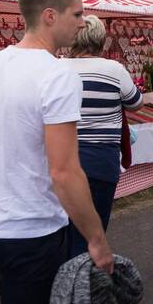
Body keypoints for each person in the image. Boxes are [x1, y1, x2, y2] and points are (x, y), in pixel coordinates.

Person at [0, 0, 112, 304]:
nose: (83, 22)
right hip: (29, 232)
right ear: (50, 16)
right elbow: (64, 171)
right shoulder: (58, 76)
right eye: (77, 14)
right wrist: (97, 239)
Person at [62, 15, 144, 257]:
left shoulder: (57, 68)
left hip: (63, 159)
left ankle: (67, 282)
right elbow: (136, 103)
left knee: (65, 228)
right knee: (95, 229)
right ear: (101, 40)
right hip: (101, 161)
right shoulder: (114, 70)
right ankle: (85, 282)